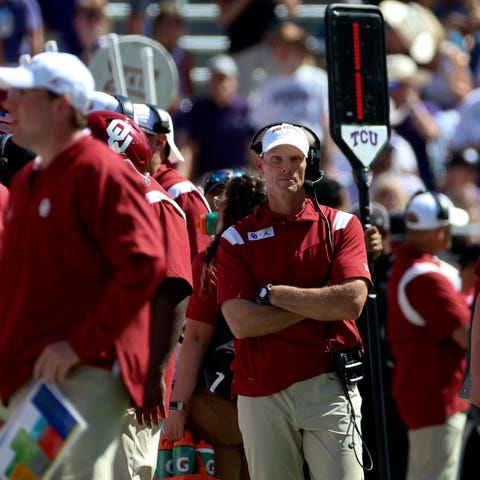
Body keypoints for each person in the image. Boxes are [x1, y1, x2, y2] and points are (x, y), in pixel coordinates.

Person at [0, 51, 175, 478]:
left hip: (85, 374)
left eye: (24, 95)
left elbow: (144, 264)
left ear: (61, 106)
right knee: (22, 476)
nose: (9, 104)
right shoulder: (28, 178)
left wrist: (79, 344)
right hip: (40, 377)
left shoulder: (99, 170)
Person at [215, 122, 371, 479]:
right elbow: (242, 323)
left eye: (296, 158)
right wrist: (319, 300)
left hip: (328, 384)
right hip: (261, 390)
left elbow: (351, 303)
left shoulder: (342, 225)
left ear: (310, 165)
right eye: (277, 158)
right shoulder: (235, 239)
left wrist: (274, 295)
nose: (286, 166)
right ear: (262, 165)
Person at [87, 109, 193, 479]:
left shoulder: (156, 204)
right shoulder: (100, 202)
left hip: (134, 379)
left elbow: (175, 287)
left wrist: (155, 372)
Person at [164, 173, 267, 480]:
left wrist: (178, 407)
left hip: (224, 399)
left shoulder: (214, 259)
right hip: (278, 395)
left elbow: (196, 338)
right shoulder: (284, 252)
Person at [387, 190, 471, 480]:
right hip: (434, 395)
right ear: (437, 230)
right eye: (447, 228)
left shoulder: (414, 267)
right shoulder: (425, 277)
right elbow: (468, 337)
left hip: (425, 391)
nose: (450, 234)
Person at [133, 102, 212, 262]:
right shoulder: (132, 186)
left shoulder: (183, 193)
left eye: (133, 135)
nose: (123, 141)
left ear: (159, 142)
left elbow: (202, 264)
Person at [175, 54, 253, 181]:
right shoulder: (196, 110)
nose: (222, 84)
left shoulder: (246, 109)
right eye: (216, 79)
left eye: (225, 79)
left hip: (239, 181)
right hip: (208, 181)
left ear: (235, 81)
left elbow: (252, 149)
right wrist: (182, 182)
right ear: (209, 82)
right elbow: (188, 149)